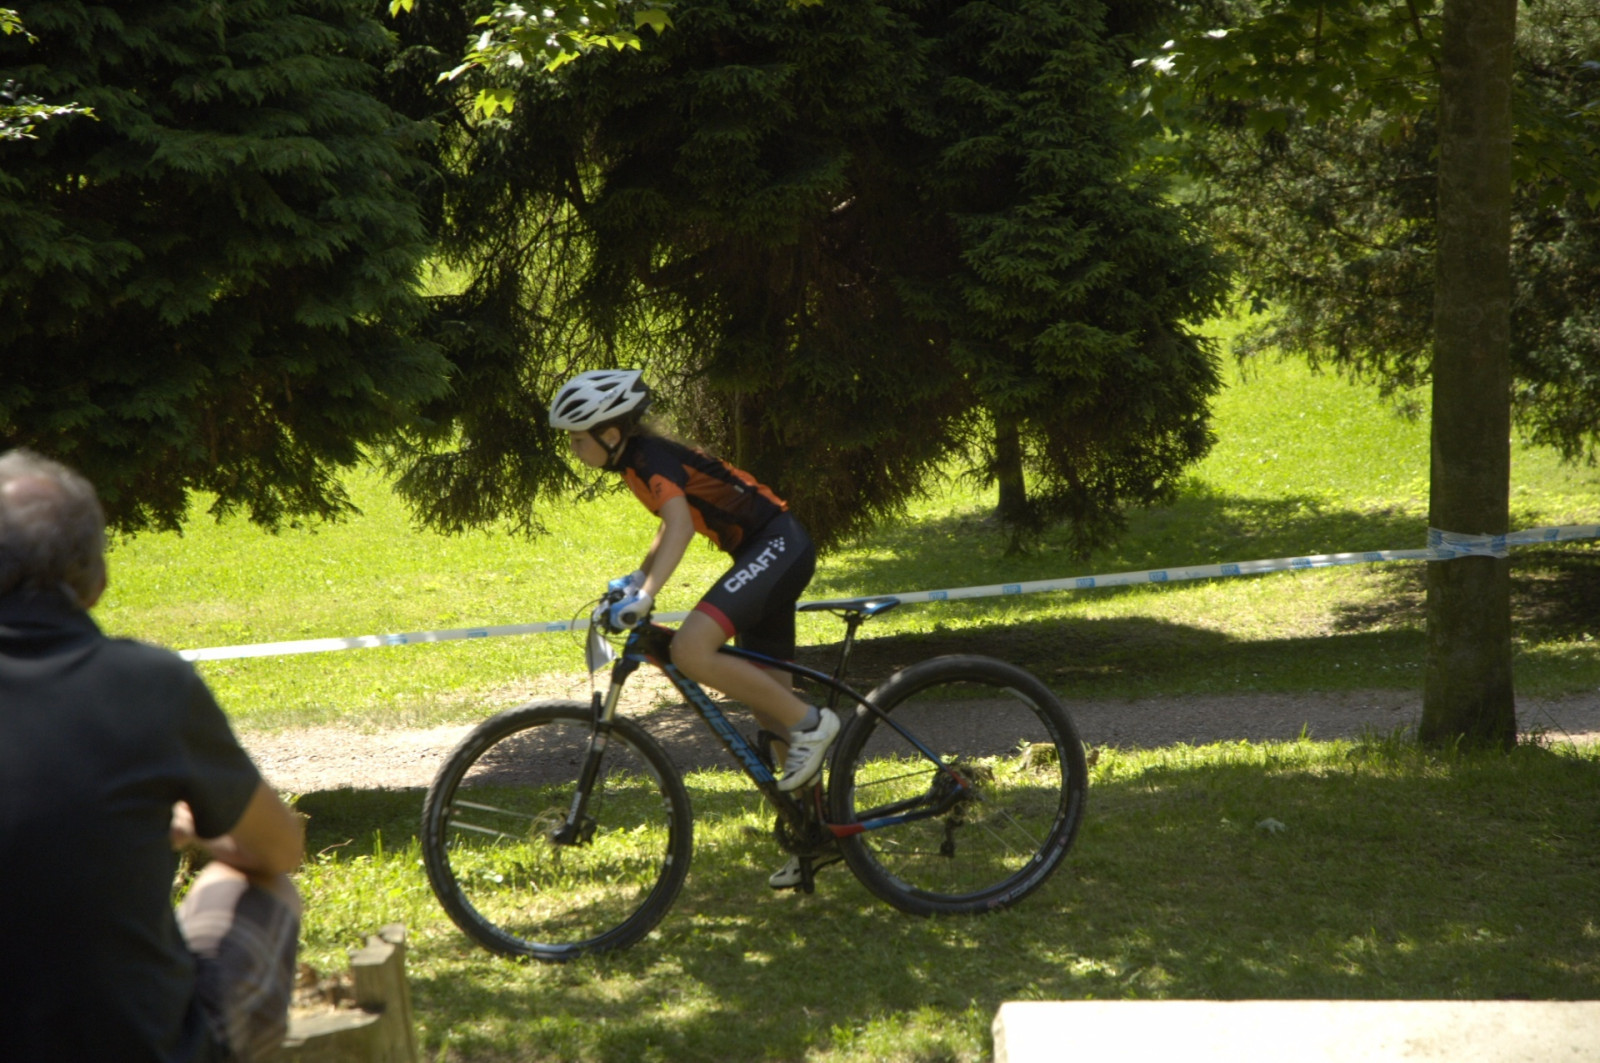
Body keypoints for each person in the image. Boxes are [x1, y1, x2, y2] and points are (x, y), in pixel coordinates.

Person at [0, 449, 305, 1062]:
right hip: (148, 1047)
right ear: (95, 578)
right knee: (256, 882)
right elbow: (281, 849)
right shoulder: (150, 685)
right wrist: (201, 834)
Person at [550, 369, 835, 890]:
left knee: (690, 648)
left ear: (609, 433)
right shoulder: (635, 463)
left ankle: (814, 724)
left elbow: (681, 526)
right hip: (764, 550)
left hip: (777, 544)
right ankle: (813, 833)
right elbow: (669, 523)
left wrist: (646, 596)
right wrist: (636, 579)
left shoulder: (649, 458)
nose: (573, 449)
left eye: (577, 438)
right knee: (770, 708)